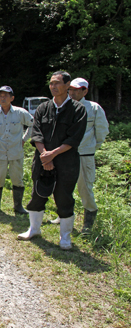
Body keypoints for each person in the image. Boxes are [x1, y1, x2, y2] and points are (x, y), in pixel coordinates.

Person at [18, 71, 87, 250]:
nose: (53, 86)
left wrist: (53, 155)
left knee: (64, 197)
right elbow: (37, 133)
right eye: (51, 83)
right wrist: (44, 156)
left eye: (57, 83)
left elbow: (74, 139)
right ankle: (34, 229)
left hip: (66, 161)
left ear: (67, 85)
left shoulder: (78, 110)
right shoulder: (43, 108)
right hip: (42, 159)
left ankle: (65, 237)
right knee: (38, 194)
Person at [50, 77, 109, 230]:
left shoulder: (94, 108)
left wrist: (90, 148)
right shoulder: (62, 106)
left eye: (77, 90)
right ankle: (62, 216)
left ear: (85, 91)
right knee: (61, 187)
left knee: (85, 188)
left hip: (84, 155)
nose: (73, 93)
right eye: (71, 90)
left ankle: (88, 224)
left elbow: (102, 132)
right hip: (63, 155)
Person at [0, 86, 33, 214]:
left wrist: (24, 139)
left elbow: (33, 124)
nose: (3, 98)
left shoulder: (20, 113)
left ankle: (18, 206)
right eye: (0, 96)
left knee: (17, 179)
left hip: (16, 152)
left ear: (12, 98)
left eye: (6, 95)